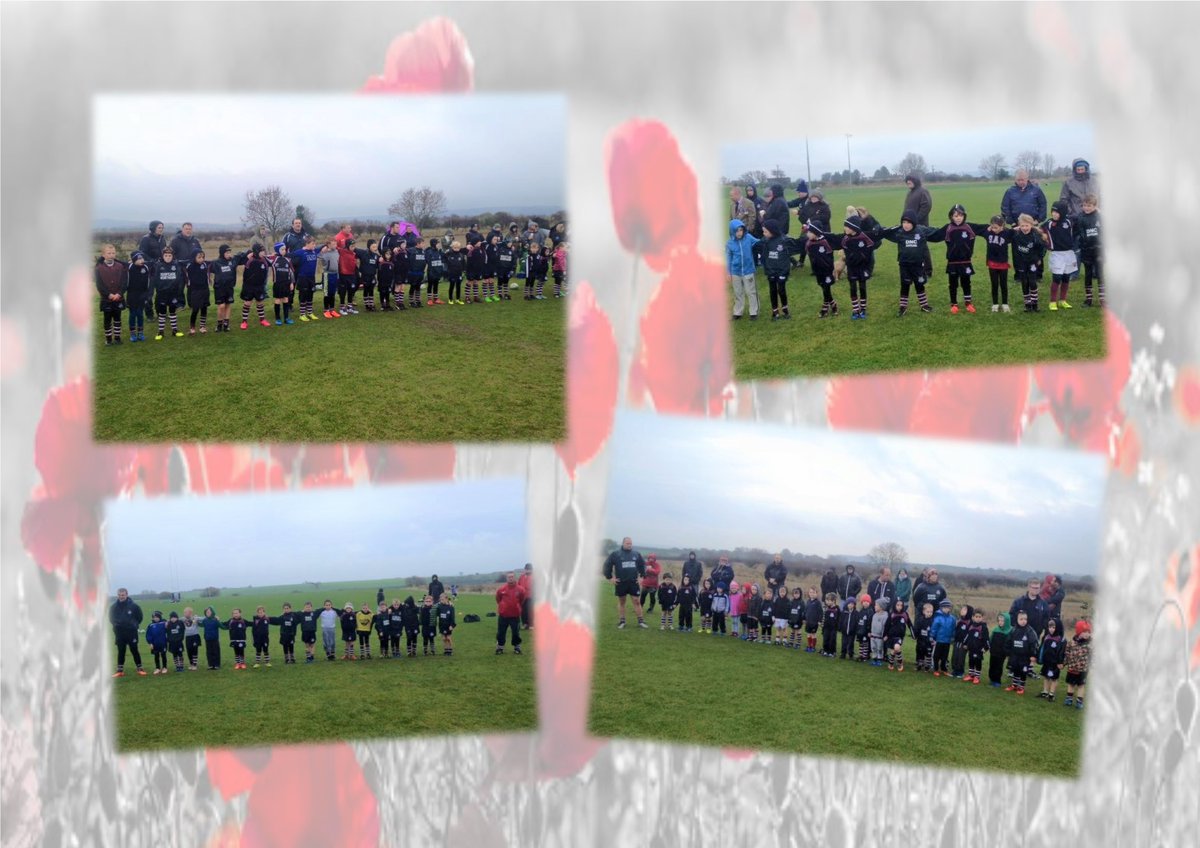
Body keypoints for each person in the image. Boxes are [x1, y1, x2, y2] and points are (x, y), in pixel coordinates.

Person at [925, 204, 989, 314]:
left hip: (966, 261)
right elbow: (935, 236)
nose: (958, 218)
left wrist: (1003, 230)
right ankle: (954, 304)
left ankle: (968, 303)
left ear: (964, 216)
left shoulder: (970, 227)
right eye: (955, 216)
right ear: (951, 217)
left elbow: (986, 228)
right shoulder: (948, 228)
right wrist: (921, 235)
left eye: (960, 215)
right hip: (952, 262)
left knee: (966, 282)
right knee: (953, 283)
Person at [877, 212, 937, 316]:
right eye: (904, 222)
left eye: (908, 222)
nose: (906, 225)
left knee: (919, 285)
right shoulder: (899, 233)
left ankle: (924, 305)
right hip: (904, 265)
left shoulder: (921, 231)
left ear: (914, 223)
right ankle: (903, 307)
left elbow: (936, 232)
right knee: (905, 285)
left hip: (918, 265)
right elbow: (886, 233)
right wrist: (877, 228)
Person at [825, 215, 882, 320]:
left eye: (847, 226)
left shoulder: (865, 237)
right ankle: (855, 310)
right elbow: (832, 237)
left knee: (862, 287)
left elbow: (877, 240)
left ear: (854, 228)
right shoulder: (844, 239)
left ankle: (863, 309)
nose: (845, 228)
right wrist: (819, 233)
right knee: (853, 288)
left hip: (863, 268)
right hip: (851, 268)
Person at [602, 537, 648, 629]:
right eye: (627, 543)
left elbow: (643, 565)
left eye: (630, 543)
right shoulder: (616, 554)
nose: (629, 545)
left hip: (633, 582)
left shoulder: (636, 554)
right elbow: (607, 565)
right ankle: (622, 621)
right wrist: (610, 578)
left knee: (637, 601)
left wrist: (642, 577)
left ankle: (641, 621)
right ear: (623, 543)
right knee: (622, 601)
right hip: (621, 582)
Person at [1042, 201, 1077, 311]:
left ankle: (1063, 300)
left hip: (1069, 253)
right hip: (1056, 254)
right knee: (1057, 278)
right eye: (1053, 212)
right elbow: (1039, 230)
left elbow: (1081, 218)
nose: (1054, 214)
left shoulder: (1069, 221)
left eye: (1057, 212)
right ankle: (1052, 301)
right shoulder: (1048, 224)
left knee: (1066, 278)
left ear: (1063, 213)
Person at [1011, 213, 1049, 312]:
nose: (1024, 228)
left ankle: (1035, 304)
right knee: (1024, 282)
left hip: (1032, 262)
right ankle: (1027, 304)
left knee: (1032, 282)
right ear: (1019, 225)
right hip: (1021, 262)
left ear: (1031, 225)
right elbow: (1004, 233)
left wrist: (1039, 258)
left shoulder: (1035, 235)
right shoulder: (1016, 235)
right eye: (1022, 225)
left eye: (1027, 225)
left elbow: (1043, 247)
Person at [801, 222, 840, 318]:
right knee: (823, 287)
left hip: (826, 270)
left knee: (826, 287)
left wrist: (830, 269)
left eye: (809, 232)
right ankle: (833, 304)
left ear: (816, 233)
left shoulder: (825, 242)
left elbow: (830, 257)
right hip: (817, 271)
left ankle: (825, 307)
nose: (807, 234)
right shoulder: (809, 244)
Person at [757, 218, 793, 320]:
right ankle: (775, 311)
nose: (764, 233)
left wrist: (785, 271)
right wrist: (768, 270)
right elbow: (764, 257)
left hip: (782, 271)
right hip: (771, 271)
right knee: (772, 290)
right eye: (763, 231)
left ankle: (785, 310)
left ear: (772, 230)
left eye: (765, 231)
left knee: (781, 290)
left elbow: (787, 258)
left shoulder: (784, 240)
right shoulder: (765, 241)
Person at [726, 219, 760, 321]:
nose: (739, 233)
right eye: (736, 231)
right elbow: (728, 258)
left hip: (748, 270)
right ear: (732, 231)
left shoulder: (748, 238)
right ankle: (737, 312)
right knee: (738, 292)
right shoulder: (729, 243)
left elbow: (759, 242)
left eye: (741, 230)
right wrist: (729, 272)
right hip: (735, 272)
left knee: (751, 291)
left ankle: (754, 312)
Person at [94, 244, 128, 346]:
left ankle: (117, 338)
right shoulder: (98, 268)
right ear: (103, 254)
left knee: (117, 319)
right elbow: (99, 285)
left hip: (118, 298)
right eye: (109, 253)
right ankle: (108, 339)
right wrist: (108, 295)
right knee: (107, 319)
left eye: (113, 253)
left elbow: (124, 282)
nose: (111, 255)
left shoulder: (120, 266)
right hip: (106, 299)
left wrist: (119, 293)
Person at [150, 246, 186, 340]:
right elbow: (155, 279)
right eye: (166, 255)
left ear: (172, 256)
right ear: (163, 256)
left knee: (172, 312)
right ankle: (160, 332)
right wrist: (159, 289)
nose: (168, 257)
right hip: (162, 294)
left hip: (173, 293)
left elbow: (178, 279)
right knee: (162, 313)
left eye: (169, 255)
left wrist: (177, 290)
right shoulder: (158, 265)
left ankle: (175, 330)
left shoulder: (176, 265)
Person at [109, 588, 146, 677]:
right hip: (119, 633)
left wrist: (134, 625)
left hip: (131, 632)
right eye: (119, 595)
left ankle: (140, 669)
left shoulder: (134, 606)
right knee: (121, 651)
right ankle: (120, 671)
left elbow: (140, 617)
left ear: (126, 595)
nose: (121, 596)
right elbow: (111, 618)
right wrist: (116, 625)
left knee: (134, 650)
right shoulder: (113, 607)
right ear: (117, 595)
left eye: (123, 595)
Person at [982, 216, 1015, 313]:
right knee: (994, 284)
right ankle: (995, 304)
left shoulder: (1007, 233)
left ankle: (1005, 303)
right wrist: (989, 229)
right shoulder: (988, 233)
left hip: (1003, 263)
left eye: (996, 227)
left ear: (1002, 226)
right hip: (992, 263)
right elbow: (981, 231)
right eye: (992, 227)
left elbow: (1017, 230)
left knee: (1003, 284)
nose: (994, 229)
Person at [903, 173, 934, 275]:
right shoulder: (910, 193)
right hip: (910, 225)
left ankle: (928, 270)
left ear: (915, 181)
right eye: (907, 181)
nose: (908, 182)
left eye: (910, 180)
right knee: (913, 247)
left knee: (922, 247)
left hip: (920, 225)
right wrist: (905, 219)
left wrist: (915, 220)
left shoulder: (923, 191)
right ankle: (916, 268)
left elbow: (926, 206)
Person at [1004, 610, 1040, 694]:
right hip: (1015, 655)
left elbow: (1034, 643)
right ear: (1017, 619)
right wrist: (1008, 652)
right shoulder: (1013, 630)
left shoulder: (1029, 631)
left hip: (1025, 657)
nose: (1023, 621)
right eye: (1021, 619)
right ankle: (1014, 685)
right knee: (1015, 670)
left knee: (1023, 672)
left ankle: (1021, 687)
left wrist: (1033, 655)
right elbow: (1008, 641)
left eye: (1025, 619)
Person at [1077, 195, 1103, 307]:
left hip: (1099, 250)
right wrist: (1084, 244)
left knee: (1099, 274)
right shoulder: (1081, 217)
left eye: (1089, 206)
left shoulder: (1100, 217)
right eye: (1085, 205)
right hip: (1086, 250)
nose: (1086, 208)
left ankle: (1103, 299)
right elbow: (1081, 233)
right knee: (1088, 274)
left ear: (1095, 206)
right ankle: (1088, 299)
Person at [238, 243, 271, 329]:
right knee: (247, 303)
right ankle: (244, 322)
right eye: (261, 251)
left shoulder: (264, 260)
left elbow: (273, 260)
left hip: (259, 286)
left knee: (260, 303)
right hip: (249, 286)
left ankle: (262, 320)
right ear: (256, 251)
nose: (263, 252)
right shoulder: (249, 260)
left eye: (264, 250)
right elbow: (241, 261)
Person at [292, 236, 325, 321]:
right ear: (307, 244)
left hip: (311, 278)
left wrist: (326, 244)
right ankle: (302, 314)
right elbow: (289, 255)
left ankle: (310, 313)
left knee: (310, 295)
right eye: (312, 244)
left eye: (315, 244)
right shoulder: (300, 252)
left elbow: (320, 248)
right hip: (303, 278)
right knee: (303, 296)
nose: (314, 245)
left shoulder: (314, 251)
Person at [495, 571, 527, 655]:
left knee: (516, 632)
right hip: (503, 615)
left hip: (515, 615)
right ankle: (500, 647)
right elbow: (498, 599)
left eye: (512, 576)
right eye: (509, 577)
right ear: (506, 578)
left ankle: (517, 647)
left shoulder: (520, 589)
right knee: (501, 632)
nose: (510, 578)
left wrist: (517, 607)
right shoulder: (501, 589)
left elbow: (522, 600)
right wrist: (503, 606)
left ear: (514, 577)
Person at [1063, 620, 1092, 709]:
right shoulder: (1071, 643)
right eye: (1084, 632)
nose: (1087, 634)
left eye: (1088, 632)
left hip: (1083, 669)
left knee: (1081, 685)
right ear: (1079, 632)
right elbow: (1067, 653)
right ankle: (1069, 698)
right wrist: (1064, 663)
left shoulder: (1091, 645)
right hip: (1072, 668)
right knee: (1071, 684)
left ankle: (1079, 701)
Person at [1037, 618, 1066, 701]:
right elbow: (1042, 648)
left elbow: (1062, 652)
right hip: (1046, 662)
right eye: (1050, 627)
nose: (1051, 629)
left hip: (1055, 663)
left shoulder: (1061, 639)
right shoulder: (1046, 637)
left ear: (1058, 627)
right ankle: (1045, 692)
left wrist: (1060, 662)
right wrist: (1039, 657)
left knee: (1053, 678)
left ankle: (1051, 694)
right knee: (1046, 677)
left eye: (1053, 627)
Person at [183, 248, 210, 334]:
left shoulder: (205, 265)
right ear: (194, 257)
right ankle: (192, 327)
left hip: (205, 290)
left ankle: (202, 326)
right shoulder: (190, 266)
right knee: (195, 310)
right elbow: (189, 280)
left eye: (203, 257)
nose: (201, 259)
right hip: (195, 291)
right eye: (199, 257)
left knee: (204, 308)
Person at [963, 608, 990, 684]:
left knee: (977, 662)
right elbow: (967, 636)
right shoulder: (971, 626)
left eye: (980, 617)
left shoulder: (984, 627)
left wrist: (986, 648)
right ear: (973, 617)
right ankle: (971, 675)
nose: (978, 618)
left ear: (982, 617)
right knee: (971, 661)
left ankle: (977, 677)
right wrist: (965, 644)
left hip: (979, 649)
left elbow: (987, 639)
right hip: (971, 648)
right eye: (976, 617)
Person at [930, 599, 956, 676]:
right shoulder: (937, 618)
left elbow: (954, 629)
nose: (946, 609)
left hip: (947, 641)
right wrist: (932, 637)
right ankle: (935, 669)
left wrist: (953, 637)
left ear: (950, 608)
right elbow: (934, 629)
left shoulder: (952, 618)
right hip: (938, 640)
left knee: (945, 656)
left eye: (948, 607)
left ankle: (944, 669)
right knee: (936, 656)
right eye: (944, 607)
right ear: (941, 608)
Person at [353, 239, 380, 312]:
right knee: (366, 290)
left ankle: (371, 304)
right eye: (373, 247)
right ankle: (367, 305)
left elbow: (380, 263)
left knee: (371, 290)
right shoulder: (363, 253)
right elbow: (353, 249)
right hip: (365, 276)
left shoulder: (376, 256)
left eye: (376, 247)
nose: (375, 248)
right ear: (369, 247)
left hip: (372, 276)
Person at [886, 600, 913, 671]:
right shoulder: (891, 614)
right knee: (893, 651)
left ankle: (900, 663)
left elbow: (910, 624)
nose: (899, 607)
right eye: (898, 605)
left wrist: (913, 634)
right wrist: (885, 635)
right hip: (891, 636)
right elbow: (887, 625)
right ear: (895, 605)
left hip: (899, 636)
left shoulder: (905, 614)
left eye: (901, 605)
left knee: (897, 648)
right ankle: (891, 663)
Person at [336, 237, 359, 315]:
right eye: (352, 246)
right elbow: (333, 246)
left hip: (351, 275)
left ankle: (349, 307)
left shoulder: (354, 253)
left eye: (354, 246)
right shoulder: (341, 251)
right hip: (343, 275)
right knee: (342, 292)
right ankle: (342, 308)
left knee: (351, 291)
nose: (353, 248)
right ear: (347, 245)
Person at [951, 604, 974, 679]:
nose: (962, 610)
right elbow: (956, 631)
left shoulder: (970, 622)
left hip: (963, 644)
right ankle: (954, 670)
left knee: (961, 657)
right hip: (956, 642)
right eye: (962, 609)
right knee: (955, 656)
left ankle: (960, 672)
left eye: (964, 609)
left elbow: (969, 634)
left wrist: (965, 643)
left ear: (969, 612)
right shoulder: (959, 620)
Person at [988, 612, 1011, 687]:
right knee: (992, 665)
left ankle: (997, 681)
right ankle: (992, 679)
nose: (1000, 622)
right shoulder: (995, 629)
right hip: (993, 651)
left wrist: (1008, 652)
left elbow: (1010, 643)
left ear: (1007, 621)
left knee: (998, 666)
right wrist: (989, 647)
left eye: (1003, 621)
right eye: (999, 620)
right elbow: (991, 639)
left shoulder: (1010, 631)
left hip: (1001, 653)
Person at [912, 602, 935, 672]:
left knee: (928, 654)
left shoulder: (933, 621)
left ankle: (927, 666)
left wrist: (934, 639)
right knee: (919, 652)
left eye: (931, 612)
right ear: (923, 611)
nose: (929, 613)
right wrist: (915, 635)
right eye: (928, 612)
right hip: (920, 640)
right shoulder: (920, 620)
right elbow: (917, 629)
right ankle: (919, 665)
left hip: (929, 641)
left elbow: (934, 630)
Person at [146, 611, 168, 675]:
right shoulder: (151, 625)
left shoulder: (163, 623)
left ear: (159, 617)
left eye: (157, 617)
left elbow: (168, 627)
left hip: (163, 643)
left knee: (163, 655)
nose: (155, 618)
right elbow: (148, 635)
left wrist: (166, 622)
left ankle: (164, 667)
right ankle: (157, 668)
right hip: (155, 644)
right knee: (156, 656)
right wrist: (150, 643)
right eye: (154, 617)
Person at [407, 237, 428, 307]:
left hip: (420, 272)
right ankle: (411, 301)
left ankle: (418, 301)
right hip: (413, 273)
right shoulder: (411, 250)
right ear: (418, 243)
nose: (423, 245)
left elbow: (425, 261)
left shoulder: (423, 251)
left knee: (418, 287)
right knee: (413, 286)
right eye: (422, 243)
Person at [444, 241, 465, 306]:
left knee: (458, 286)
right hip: (451, 273)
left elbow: (464, 264)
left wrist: (464, 271)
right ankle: (450, 299)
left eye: (458, 248)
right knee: (452, 286)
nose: (456, 249)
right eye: (455, 247)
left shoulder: (461, 255)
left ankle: (458, 299)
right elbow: (444, 258)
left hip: (459, 273)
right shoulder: (449, 254)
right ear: (452, 247)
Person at [200, 606, 222, 670]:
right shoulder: (205, 620)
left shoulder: (215, 620)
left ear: (212, 612)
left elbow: (221, 626)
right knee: (209, 652)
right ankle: (210, 665)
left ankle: (217, 665)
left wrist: (229, 626)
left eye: (209, 612)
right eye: (206, 612)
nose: (208, 613)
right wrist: (196, 622)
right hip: (207, 639)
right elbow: (201, 625)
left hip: (215, 639)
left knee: (216, 652)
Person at [427, 237, 447, 304]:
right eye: (438, 243)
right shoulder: (429, 252)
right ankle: (429, 299)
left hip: (438, 272)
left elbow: (444, 258)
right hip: (431, 272)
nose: (439, 244)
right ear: (434, 244)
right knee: (430, 285)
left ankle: (436, 299)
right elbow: (427, 261)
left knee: (436, 285)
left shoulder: (439, 252)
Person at [803, 586, 822, 653]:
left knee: (813, 634)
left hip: (814, 622)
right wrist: (804, 619)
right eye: (810, 592)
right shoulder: (808, 601)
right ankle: (809, 646)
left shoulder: (818, 603)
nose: (812, 594)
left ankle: (813, 647)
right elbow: (805, 611)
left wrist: (819, 621)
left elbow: (820, 612)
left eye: (814, 592)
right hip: (808, 621)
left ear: (816, 594)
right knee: (808, 634)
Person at [518, 563, 534, 629]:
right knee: (523, 611)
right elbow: (518, 585)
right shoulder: (521, 577)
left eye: (529, 569)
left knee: (530, 610)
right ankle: (525, 624)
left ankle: (531, 625)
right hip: (522, 597)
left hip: (531, 596)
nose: (528, 571)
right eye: (526, 569)